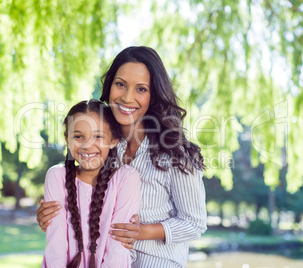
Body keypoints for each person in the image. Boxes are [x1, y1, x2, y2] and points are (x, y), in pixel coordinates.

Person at [37, 46, 207, 268]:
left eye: (141, 89)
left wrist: (142, 231)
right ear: (109, 87)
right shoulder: (98, 145)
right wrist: (52, 217)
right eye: (120, 85)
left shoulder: (176, 152)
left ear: (153, 95)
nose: (127, 97)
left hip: (157, 262)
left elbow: (194, 223)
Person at [42, 100, 141, 268]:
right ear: (67, 140)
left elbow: (117, 249)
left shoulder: (126, 178)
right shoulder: (56, 176)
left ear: (113, 140)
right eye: (78, 136)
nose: (87, 145)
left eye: (98, 136)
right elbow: (56, 245)